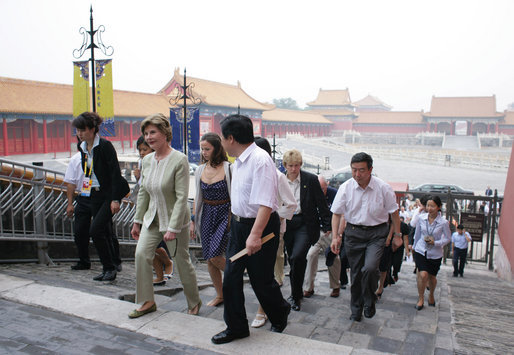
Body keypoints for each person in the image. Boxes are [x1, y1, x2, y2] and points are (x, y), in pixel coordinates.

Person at [211, 114, 290, 345]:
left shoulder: (260, 160)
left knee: (261, 280)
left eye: (222, 138)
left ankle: (279, 312)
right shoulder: (238, 162)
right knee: (231, 278)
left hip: (260, 227)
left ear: (231, 138)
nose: (221, 142)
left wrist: (255, 235)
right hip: (239, 225)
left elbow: (266, 202)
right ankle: (236, 327)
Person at [130, 113, 201, 318]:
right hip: (152, 218)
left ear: (164, 133)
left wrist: (173, 227)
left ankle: (194, 301)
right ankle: (146, 301)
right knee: (141, 254)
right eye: (146, 133)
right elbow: (143, 191)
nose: (149, 137)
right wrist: (137, 220)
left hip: (175, 220)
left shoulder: (180, 159)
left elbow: (181, 197)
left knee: (181, 261)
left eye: (153, 132)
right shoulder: (148, 160)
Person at [330, 152, 401, 322]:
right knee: (356, 274)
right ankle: (356, 309)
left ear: (370, 170)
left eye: (361, 170)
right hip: (354, 233)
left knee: (369, 268)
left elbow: (394, 213)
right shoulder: (346, 187)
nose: (357, 174)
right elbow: (336, 214)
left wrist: (397, 235)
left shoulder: (383, 188)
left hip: (376, 234)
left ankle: (370, 300)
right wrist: (335, 237)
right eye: (354, 170)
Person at [72, 112, 129, 281]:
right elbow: (88, 171)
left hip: (107, 194)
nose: (80, 133)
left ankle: (110, 267)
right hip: (93, 194)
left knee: (95, 230)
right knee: (102, 232)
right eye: (78, 130)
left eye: (83, 130)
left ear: (92, 129)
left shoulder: (104, 146)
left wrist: (115, 199)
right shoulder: (82, 147)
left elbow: (114, 174)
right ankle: (108, 269)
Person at [251, 136, 296, 329]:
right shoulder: (247, 172)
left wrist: (274, 217)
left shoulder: (277, 176)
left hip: (271, 232)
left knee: (267, 272)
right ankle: (277, 306)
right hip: (249, 229)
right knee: (258, 273)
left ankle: (264, 310)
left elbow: (292, 204)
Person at [282, 149, 332, 311]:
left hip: (305, 223)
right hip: (287, 223)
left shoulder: (310, 179)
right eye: (290, 166)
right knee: (293, 259)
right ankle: (296, 292)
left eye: (296, 165)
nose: (294, 169)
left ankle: (296, 295)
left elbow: (321, 203)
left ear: (300, 165)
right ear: (285, 165)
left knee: (297, 256)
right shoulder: (279, 179)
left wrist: (327, 225)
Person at [190, 132, 232, 307]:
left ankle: (239, 276)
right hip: (206, 214)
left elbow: (234, 196)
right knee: (209, 258)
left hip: (224, 213)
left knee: (215, 256)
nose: (204, 152)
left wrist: (232, 218)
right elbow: (197, 197)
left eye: (207, 149)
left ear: (217, 148)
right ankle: (220, 294)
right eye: (202, 149)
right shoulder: (200, 169)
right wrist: (193, 220)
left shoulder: (229, 168)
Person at [133, 136, 174, 286]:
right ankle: (158, 275)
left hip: (161, 211)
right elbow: (142, 190)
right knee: (146, 250)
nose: (142, 153)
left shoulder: (166, 161)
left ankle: (168, 263)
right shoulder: (143, 163)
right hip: (146, 211)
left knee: (156, 246)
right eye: (140, 150)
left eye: (145, 149)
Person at [303, 175, 342, 298]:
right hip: (316, 231)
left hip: (331, 231)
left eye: (323, 189)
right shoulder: (311, 193)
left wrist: (337, 234)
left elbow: (341, 214)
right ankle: (308, 287)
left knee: (333, 256)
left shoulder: (334, 194)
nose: (322, 192)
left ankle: (335, 285)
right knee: (310, 255)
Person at [412, 195, 451, 310]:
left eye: (432, 206)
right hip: (421, 249)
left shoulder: (443, 222)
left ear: (438, 207)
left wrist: (436, 243)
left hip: (435, 253)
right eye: (428, 205)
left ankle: (431, 295)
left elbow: (448, 238)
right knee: (423, 274)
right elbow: (417, 234)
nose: (429, 208)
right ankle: (421, 298)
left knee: (432, 278)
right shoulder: (421, 218)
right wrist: (414, 247)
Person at [65, 148, 91, 270]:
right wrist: (70, 204)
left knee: (104, 231)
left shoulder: (100, 156)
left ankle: (113, 262)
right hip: (83, 196)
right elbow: (70, 183)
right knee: (80, 231)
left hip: (99, 196)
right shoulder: (75, 159)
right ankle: (84, 261)